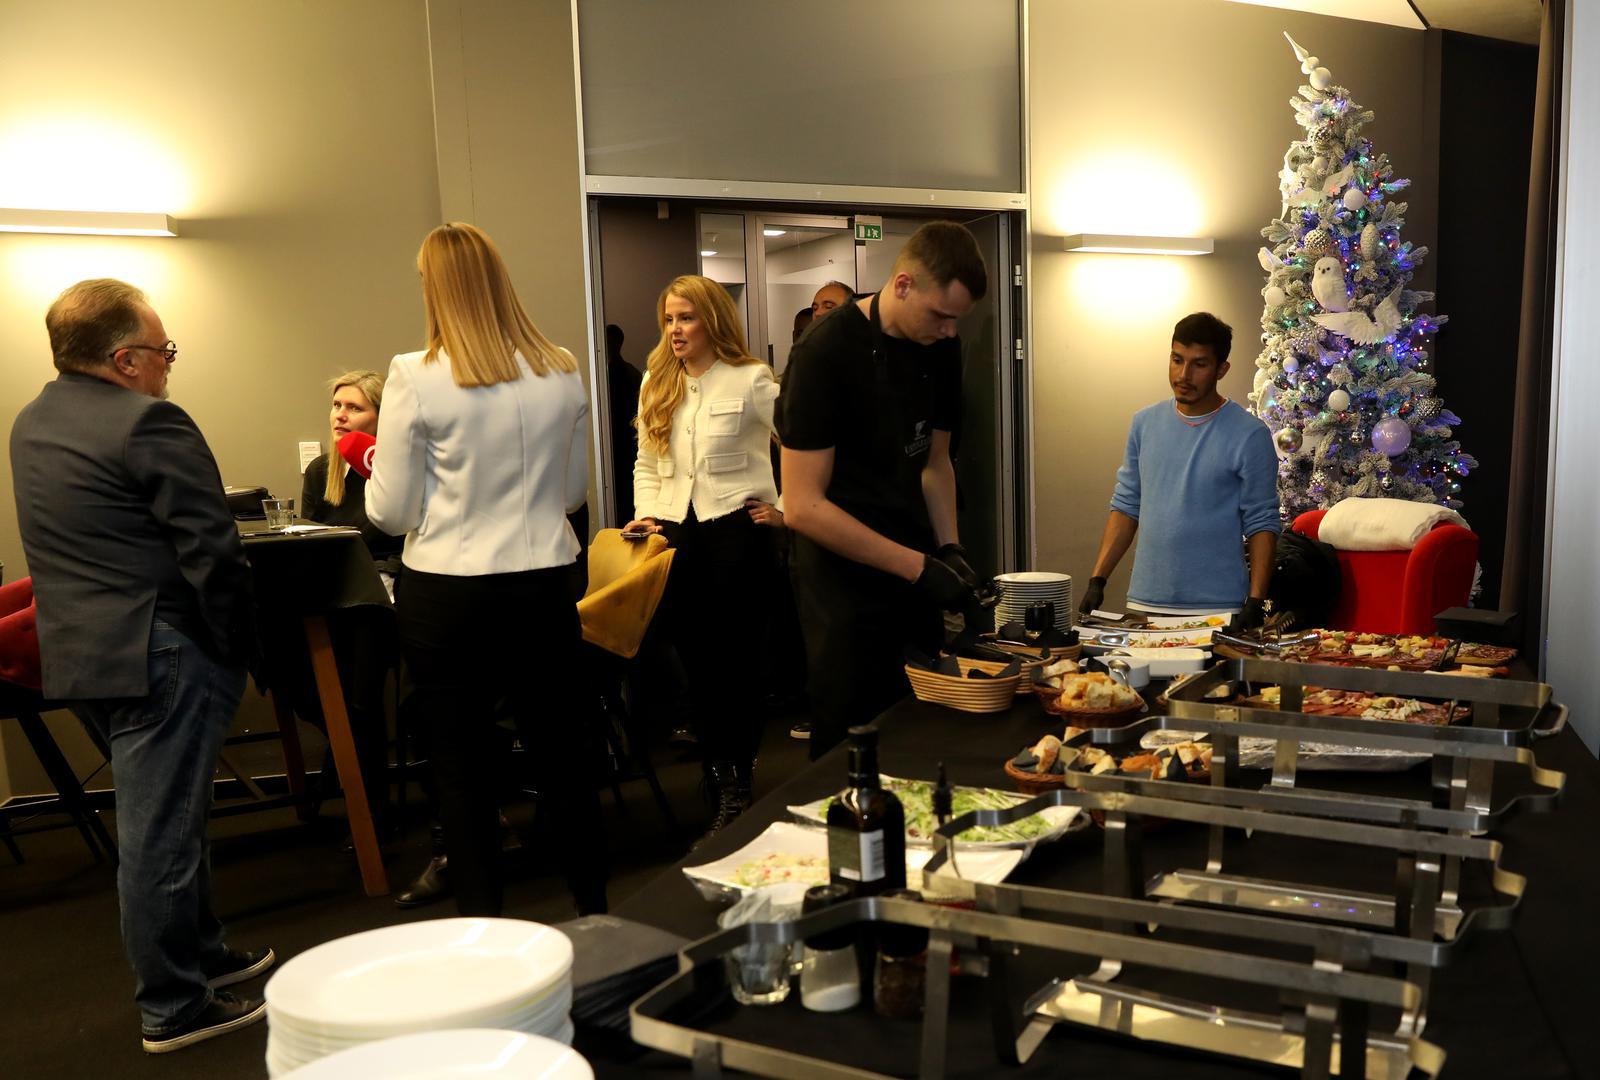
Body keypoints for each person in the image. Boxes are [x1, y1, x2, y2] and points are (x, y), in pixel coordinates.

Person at [10, 279, 272, 1052]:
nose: (168, 365)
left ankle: (202, 954)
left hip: (80, 654)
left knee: (171, 819)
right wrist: (235, 647)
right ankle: (173, 1005)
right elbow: (214, 554)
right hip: (162, 650)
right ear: (125, 359)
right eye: (164, 352)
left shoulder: (32, 422)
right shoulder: (150, 420)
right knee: (162, 834)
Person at [365, 222, 606, 917]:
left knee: (461, 770)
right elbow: (571, 494)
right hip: (544, 582)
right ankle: (594, 911)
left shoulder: (415, 374)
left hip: (449, 591)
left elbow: (391, 512)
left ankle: (485, 932)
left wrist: (382, 467)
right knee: (564, 757)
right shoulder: (561, 367)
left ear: (434, 288)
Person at [777, 222, 988, 759]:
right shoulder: (824, 353)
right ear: (902, 285)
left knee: (919, 720)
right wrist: (918, 568)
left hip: (910, 555)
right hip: (839, 577)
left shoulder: (940, 347)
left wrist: (950, 548)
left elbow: (935, 462)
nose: (949, 331)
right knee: (851, 736)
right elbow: (802, 506)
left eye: (956, 320)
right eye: (940, 315)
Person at [623, 274, 781, 835]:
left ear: (712, 320)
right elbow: (646, 461)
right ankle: (720, 775)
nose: (675, 330)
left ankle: (737, 781)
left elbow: (800, 445)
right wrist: (646, 513)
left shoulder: (751, 378)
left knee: (737, 663)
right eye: (668, 319)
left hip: (736, 532)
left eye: (685, 318)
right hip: (676, 534)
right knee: (696, 664)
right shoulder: (655, 381)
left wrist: (786, 508)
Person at [1078, 312, 1280, 627]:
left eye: (1199, 364)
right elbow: (1127, 506)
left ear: (1221, 369)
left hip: (1218, 608)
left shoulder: (1249, 434)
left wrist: (1255, 601)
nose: (1184, 374)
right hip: (1146, 603)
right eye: (1177, 360)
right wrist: (1097, 579)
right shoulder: (1144, 424)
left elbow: (1262, 521)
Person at [605, 324, 643, 528]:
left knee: (624, 494)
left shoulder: (616, 374)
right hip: (622, 444)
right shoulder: (630, 372)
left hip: (624, 444)